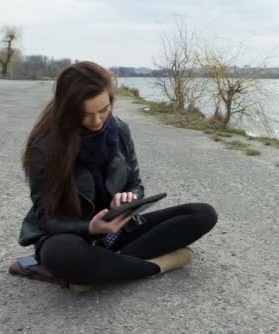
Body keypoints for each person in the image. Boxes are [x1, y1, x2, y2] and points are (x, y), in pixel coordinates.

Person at [16, 61, 217, 291]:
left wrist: (128, 197)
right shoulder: (44, 147)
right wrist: (90, 228)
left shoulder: (119, 129)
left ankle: (101, 270)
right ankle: (155, 266)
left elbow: (136, 184)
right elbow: (45, 220)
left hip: (118, 231)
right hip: (71, 236)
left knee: (202, 214)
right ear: (68, 110)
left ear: (111, 100)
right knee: (64, 255)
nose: (97, 122)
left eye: (104, 110)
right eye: (86, 115)